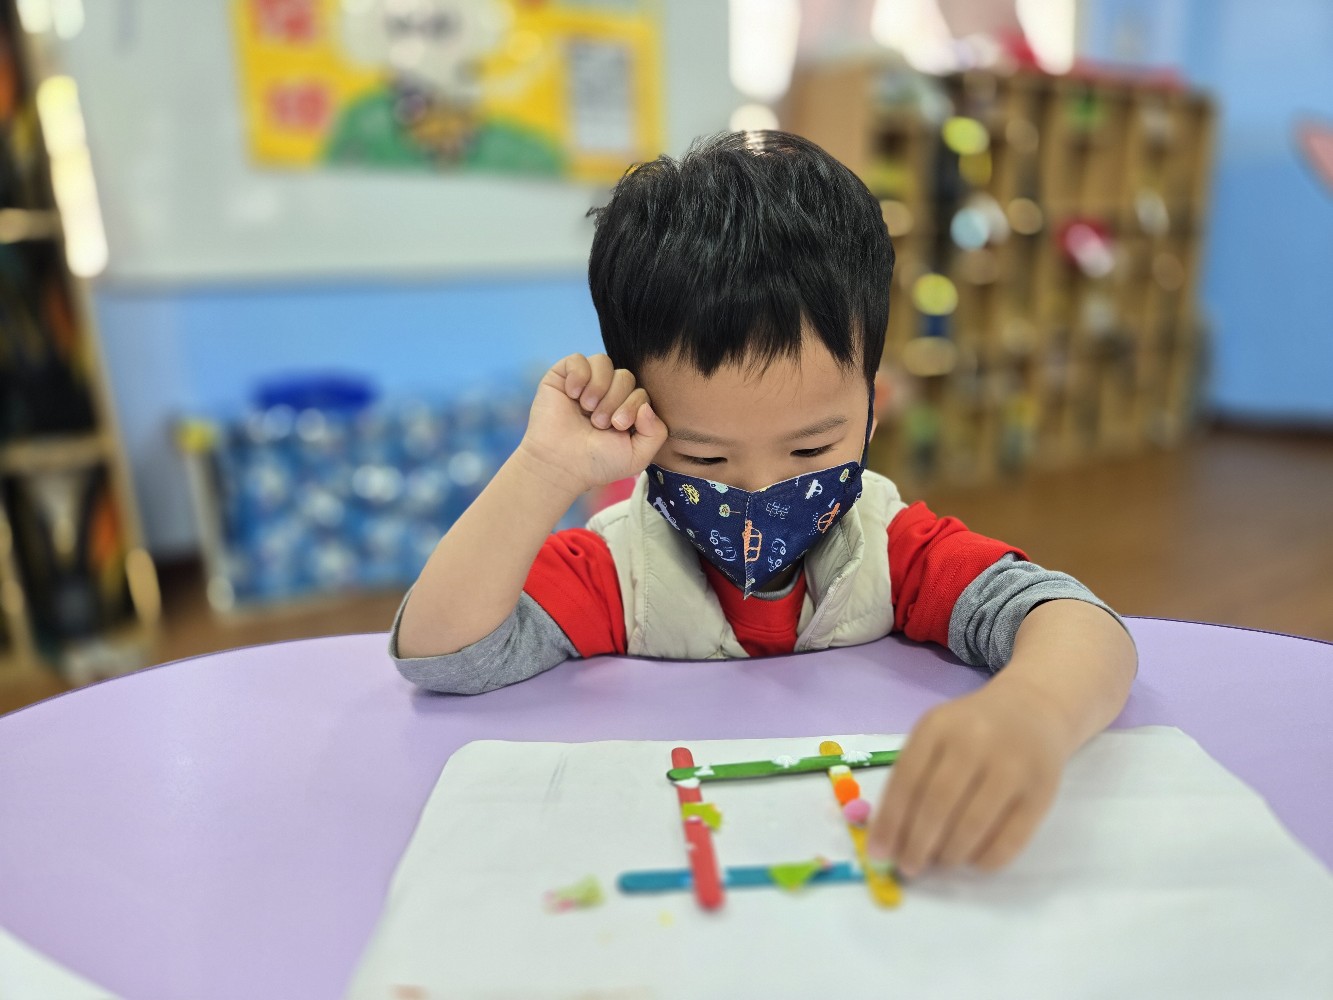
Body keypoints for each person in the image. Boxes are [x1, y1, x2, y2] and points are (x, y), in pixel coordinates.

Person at [393, 131, 1137, 878]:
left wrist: (1032, 714)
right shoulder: (620, 571)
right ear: (639, 419)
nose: (758, 492)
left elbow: (1072, 621)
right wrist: (545, 469)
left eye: (810, 451)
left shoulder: (891, 550)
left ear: (871, 411)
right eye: (705, 459)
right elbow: (446, 657)